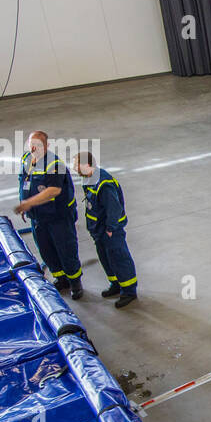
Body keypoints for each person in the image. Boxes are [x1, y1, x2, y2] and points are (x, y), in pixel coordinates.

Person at [15, 131, 82, 299]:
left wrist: (28, 203)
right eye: (31, 144)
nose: (33, 148)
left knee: (66, 249)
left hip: (58, 217)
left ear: (46, 146)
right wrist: (26, 206)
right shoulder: (26, 159)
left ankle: (75, 283)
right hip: (38, 217)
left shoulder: (54, 165)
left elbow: (53, 191)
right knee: (46, 250)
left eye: (37, 145)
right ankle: (60, 278)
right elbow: (23, 182)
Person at [74, 150, 138, 308]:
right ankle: (115, 284)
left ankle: (129, 291)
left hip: (110, 231)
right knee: (105, 258)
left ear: (87, 165)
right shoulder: (89, 179)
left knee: (119, 258)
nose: (74, 168)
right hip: (98, 230)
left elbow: (113, 208)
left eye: (76, 165)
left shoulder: (104, 183)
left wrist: (110, 228)